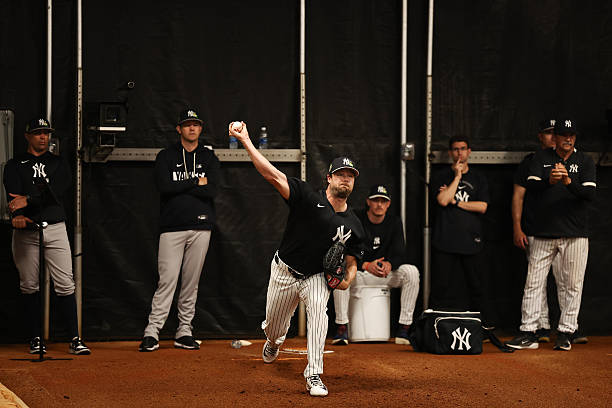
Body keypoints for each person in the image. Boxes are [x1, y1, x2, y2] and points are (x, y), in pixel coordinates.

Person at [228, 121, 364, 397]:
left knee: (319, 316)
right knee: (275, 326)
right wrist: (246, 141)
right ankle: (274, 340)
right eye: (340, 174)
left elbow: (353, 258)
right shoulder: (306, 197)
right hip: (284, 271)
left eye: (350, 175)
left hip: (315, 276)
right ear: (329, 178)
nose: (345, 179)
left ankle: (314, 374)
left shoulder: (355, 225)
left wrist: (348, 278)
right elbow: (272, 175)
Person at [506, 119, 596, 351]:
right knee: (533, 282)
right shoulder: (541, 159)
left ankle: (566, 332)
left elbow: (589, 194)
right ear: (554, 137)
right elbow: (532, 186)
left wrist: (567, 182)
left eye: (572, 135)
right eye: (563, 135)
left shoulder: (584, 160)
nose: (568, 139)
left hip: (575, 232)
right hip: (544, 231)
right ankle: (528, 331)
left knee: (573, 284)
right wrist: (550, 181)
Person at [3, 117, 90, 355]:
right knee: (29, 285)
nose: (43, 137)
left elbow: (57, 194)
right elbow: (12, 196)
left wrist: (28, 199)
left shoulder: (58, 163)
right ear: (28, 136)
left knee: (65, 283)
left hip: (54, 226)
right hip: (27, 230)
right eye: (39, 133)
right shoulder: (15, 164)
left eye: (47, 133)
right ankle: (35, 338)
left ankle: (75, 338)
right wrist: (19, 213)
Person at [139, 108, 220, 352]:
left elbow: (212, 190)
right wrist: (196, 181)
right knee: (167, 280)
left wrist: (181, 186)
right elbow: (164, 186)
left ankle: (184, 330)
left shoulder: (208, 157)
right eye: (187, 125)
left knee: (190, 283)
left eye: (195, 125)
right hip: (172, 227)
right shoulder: (166, 156)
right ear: (179, 129)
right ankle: (152, 331)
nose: (192, 128)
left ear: (200, 128)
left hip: (201, 226)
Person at [332, 184, 419, 345]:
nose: (379, 204)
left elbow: (400, 253)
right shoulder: (356, 218)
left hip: (385, 274)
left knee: (411, 272)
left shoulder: (394, 222)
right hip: (360, 273)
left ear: (388, 204)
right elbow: (345, 250)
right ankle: (342, 327)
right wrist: (365, 264)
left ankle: (404, 329)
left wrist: (390, 264)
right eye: (375, 200)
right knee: (340, 272)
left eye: (383, 201)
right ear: (368, 202)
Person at [430, 136, 493, 327]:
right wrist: (457, 177)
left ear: (469, 151)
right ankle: (435, 325)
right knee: (441, 286)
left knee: (477, 285)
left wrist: (456, 202)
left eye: (463, 149)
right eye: (456, 149)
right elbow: (442, 200)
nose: (459, 153)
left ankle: (484, 327)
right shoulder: (441, 176)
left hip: (471, 240)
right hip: (445, 239)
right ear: (450, 153)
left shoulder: (478, 178)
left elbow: (482, 206)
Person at [512, 119, 559, 343]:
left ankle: (569, 328)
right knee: (536, 280)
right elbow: (518, 196)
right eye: (548, 133)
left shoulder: (572, 160)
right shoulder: (531, 162)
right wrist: (517, 227)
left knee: (566, 281)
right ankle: (541, 325)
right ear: (540, 136)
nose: (552, 137)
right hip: (535, 228)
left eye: (555, 133)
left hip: (565, 230)